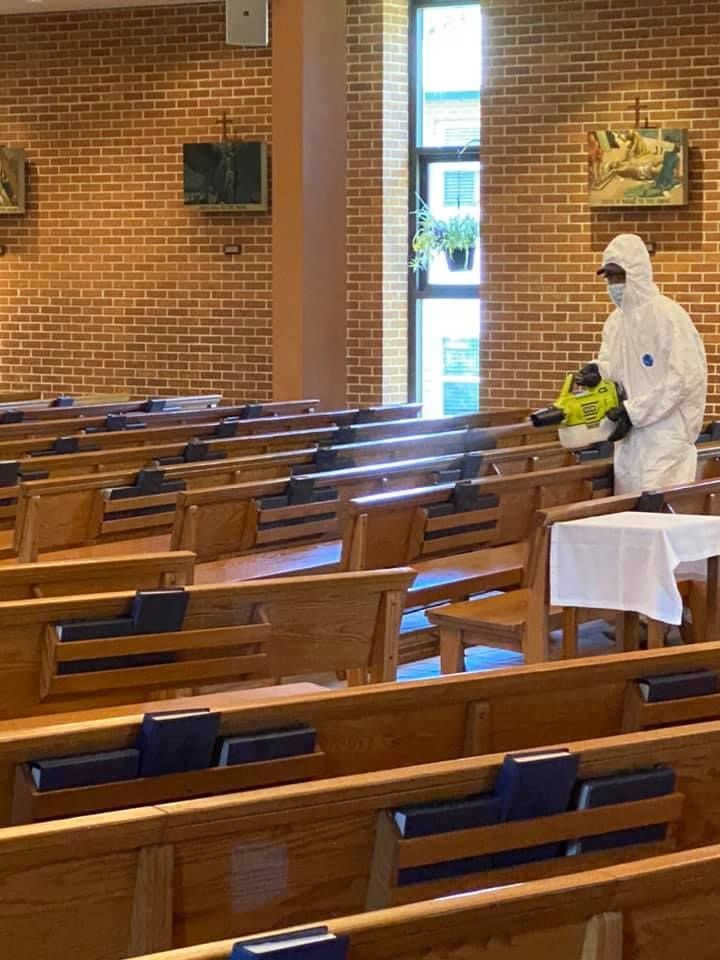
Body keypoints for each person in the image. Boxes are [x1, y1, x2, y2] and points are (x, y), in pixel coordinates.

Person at [575, 233, 707, 495]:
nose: (614, 284)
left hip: (664, 438)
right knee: (628, 515)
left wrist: (635, 410)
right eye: (609, 278)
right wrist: (597, 372)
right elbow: (615, 368)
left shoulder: (668, 317)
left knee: (658, 517)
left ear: (637, 273)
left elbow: (683, 380)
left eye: (619, 276)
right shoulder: (615, 322)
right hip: (628, 439)